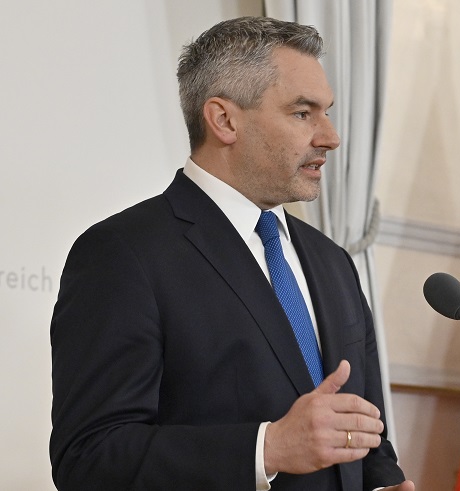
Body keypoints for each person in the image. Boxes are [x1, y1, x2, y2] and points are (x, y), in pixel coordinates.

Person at [49, 16, 414, 491]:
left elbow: (363, 427)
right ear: (223, 120)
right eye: (303, 113)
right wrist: (268, 448)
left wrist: (385, 481)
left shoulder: (333, 261)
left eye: (327, 112)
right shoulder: (123, 254)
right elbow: (89, 458)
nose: (330, 136)